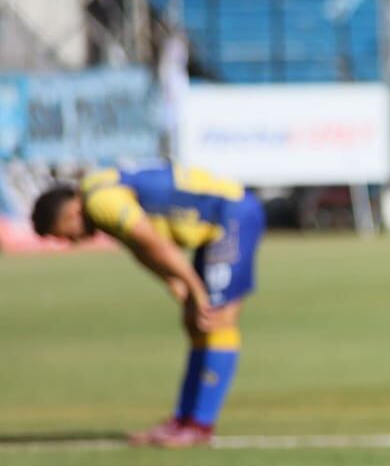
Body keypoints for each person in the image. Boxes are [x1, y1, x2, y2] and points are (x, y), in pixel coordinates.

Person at [30, 164, 263, 446]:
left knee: (216, 320)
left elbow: (155, 243)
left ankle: (200, 425)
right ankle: (182, 420)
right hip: (216, 224)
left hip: (231, 215)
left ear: (71, 214)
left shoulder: (102, 203)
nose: (72, 242)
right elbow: (142, 249)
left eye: (66, 235)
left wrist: (196, 291)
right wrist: (174, 284)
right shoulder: (97, 195)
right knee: (193, 323)